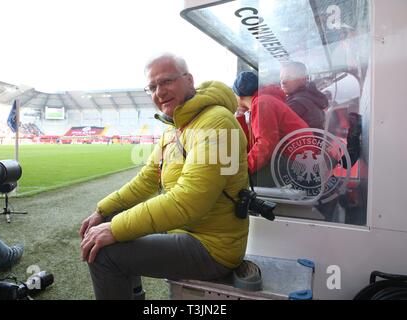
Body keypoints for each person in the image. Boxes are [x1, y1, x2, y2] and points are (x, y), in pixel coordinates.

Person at [80, 53, 249, 300]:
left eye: (166, 81)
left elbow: (189, 201)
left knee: (105, 254)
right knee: (111, 220)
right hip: (186, 231)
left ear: (189, 80)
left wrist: (115, 229)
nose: (159, 92)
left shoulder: (217, 123)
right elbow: (147, 179)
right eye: (152, 87)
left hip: (213, 246)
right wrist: (103, 211)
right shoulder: (175, 128)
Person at [233, 71, 309, 186]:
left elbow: (266, 144)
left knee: (238, 184)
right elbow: (249, 144)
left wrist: (242, 169)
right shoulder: (264, 100)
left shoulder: (262, 103)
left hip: (296, 162)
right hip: (295, 158)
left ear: (240, 95)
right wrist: (240, 116)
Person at [280, 61, 328, 130]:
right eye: (281, 78)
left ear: (303, 79)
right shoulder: (310, 96)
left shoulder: (297, 104)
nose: (283, 82)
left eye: (289, 77)